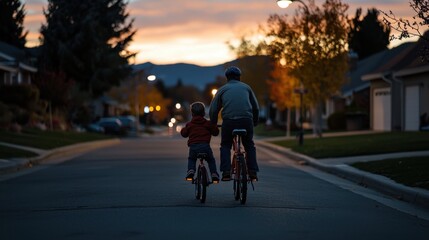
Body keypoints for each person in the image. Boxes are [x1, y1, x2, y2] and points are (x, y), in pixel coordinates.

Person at [209, 66, 259, 181]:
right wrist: (254, 121)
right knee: (249, 145)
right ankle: (252, 171)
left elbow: (213, 109)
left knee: (226, 145)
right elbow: (255, 107)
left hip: (229, 122)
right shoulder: (247, 88)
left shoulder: (222, 89)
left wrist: (213, 123)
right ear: (239, 77)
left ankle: (226, 172)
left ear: (227, 78)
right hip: (246, 120)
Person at [181, 102, 220, 183]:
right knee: (211, 160)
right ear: (203, 113)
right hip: (205, 147)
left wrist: (184, 129)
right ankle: (214, 174)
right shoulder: (207, 123)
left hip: (193, 148)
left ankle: (191, 170)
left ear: (192, 113)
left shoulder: (190, 124)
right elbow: (215, 133)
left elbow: (184, 134)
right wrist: (214, 126)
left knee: (192, 159)